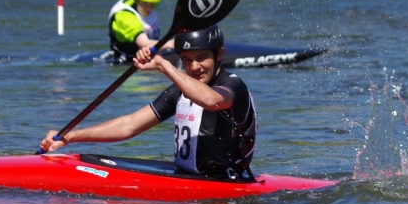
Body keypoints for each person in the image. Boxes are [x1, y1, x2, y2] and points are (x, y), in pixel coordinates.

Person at [40, 25, 257, 181]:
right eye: (187, 60)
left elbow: (211, 100)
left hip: (226, 186)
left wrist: (162, 65)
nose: (194, 67)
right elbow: (129, 125)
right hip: (188, 179)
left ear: (219, 54)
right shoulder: (180, 90)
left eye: (201, 58)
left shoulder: (233, 85)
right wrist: (70, 137)